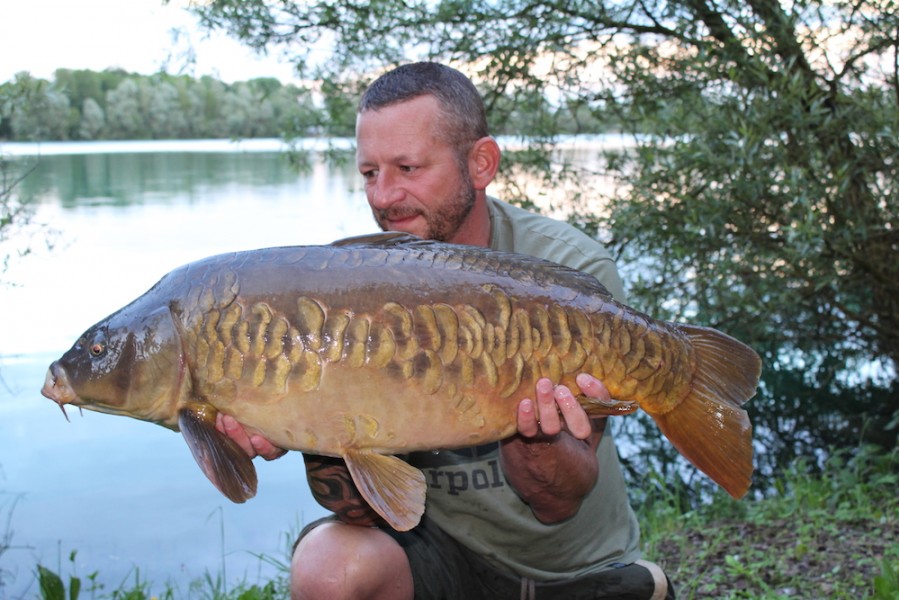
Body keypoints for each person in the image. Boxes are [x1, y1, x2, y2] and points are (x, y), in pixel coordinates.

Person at [218, 62, 674, 600]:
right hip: (438, 559)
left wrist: (528, 427)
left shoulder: (568, 279)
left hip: (571, 572)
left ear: (481, 163)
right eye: (369, 173)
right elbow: (357, 510)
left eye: (408, 168)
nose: (384, 196)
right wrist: (302, 424)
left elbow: (557, 501)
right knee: (329, 566)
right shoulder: (347, 290)